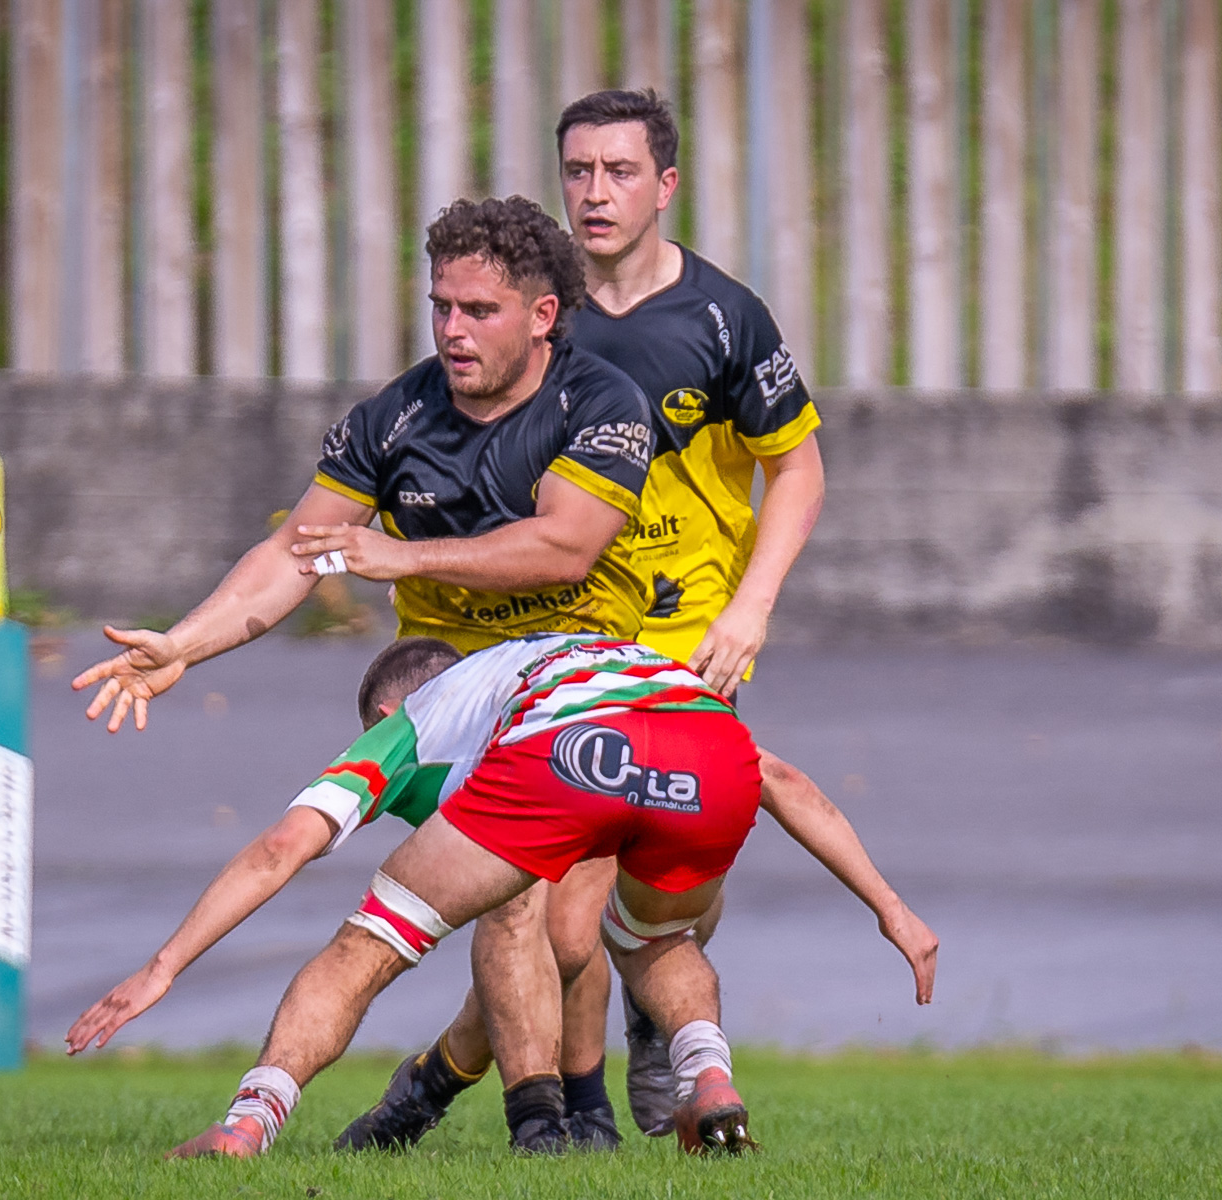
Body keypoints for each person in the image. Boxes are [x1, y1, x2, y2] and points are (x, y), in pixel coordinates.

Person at [343, 88, 833, 1149]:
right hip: (562, 624)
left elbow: (798, 469)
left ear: (665, 186)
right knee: (553, 906)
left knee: (616, 911)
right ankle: (580, 1105)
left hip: (685, 629)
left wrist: (749, 610)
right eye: (578, 171)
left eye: (618, 172)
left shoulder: (720, 317)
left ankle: (515, 1073)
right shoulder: (529, 309)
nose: (595, 192)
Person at [65, 634, 938, 1158]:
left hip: (566, 750)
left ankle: (249, 1125)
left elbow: (282, 845)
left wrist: (163, 966)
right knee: (656, 943)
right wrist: (892, 910)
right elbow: (780, 776)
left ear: (389, 709)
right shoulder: (585, 659)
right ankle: (708, 1077)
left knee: (367, 945)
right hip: (705, 743)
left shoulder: (415, 720)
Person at [71, 195, 654, 735]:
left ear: (541, 316)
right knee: (296, 836)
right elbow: (291, 555)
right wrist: (181, 646)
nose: (453, 332)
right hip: (444, 689)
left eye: (480, 311)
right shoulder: (392, 418)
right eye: (442, 308)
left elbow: (565, 549)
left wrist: (405, 556)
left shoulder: (602, 402)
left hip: (580, 674)